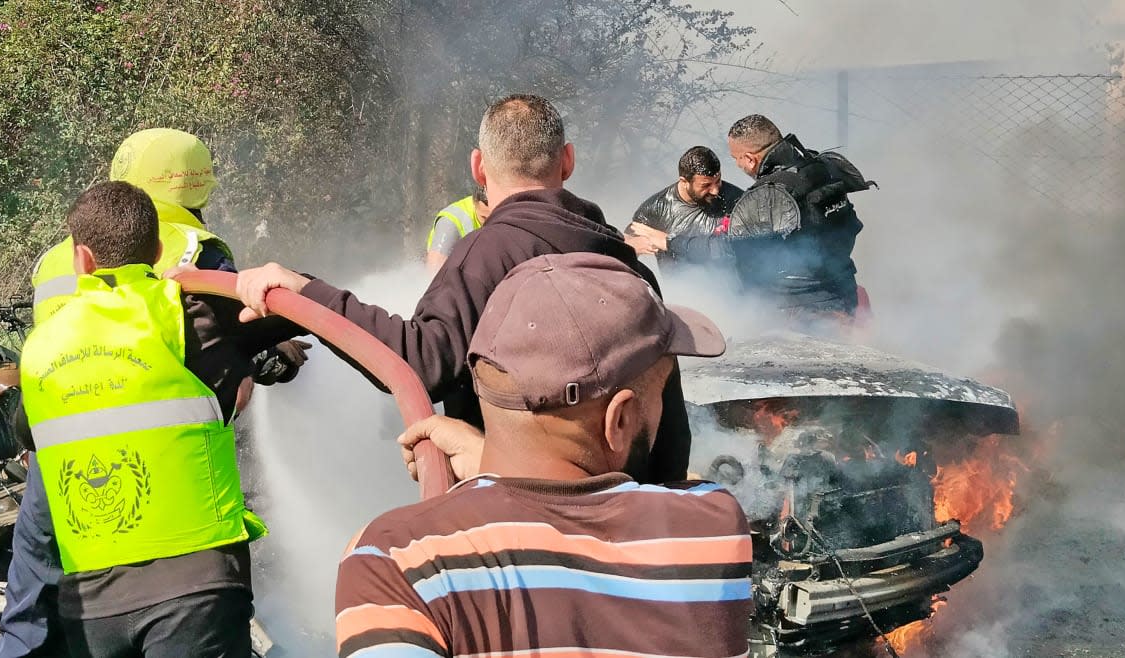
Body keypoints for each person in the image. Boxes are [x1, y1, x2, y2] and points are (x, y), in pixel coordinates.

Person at [236, 93, 695, 482]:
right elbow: (669, 421)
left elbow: (419, 361)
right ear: (568, 161)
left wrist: (307, 292)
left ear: (478, 167)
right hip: (627, 513)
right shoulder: (625, 263)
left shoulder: (488, 252)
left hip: (520, 515)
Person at [336, 252, 752, 658]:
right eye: (661, 395)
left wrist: (488, 470)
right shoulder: (711, 527)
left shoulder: (392, 562)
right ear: (619, 422)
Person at [0, 130, 308, 658]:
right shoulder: (195, 250)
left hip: (66, 466)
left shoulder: (57, 259)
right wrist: (271, 352)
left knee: (29, 609)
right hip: (177, 522)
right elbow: (225, 344)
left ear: (83, 259)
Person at [671, 115, 875, 319]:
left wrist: (671, 243)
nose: (738, 165)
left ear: (750, 159)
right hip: (845, 291)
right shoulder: (821, 166)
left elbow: (726, 250)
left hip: (800, 310)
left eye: (736, 159)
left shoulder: (769, 194)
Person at [623, 145, 743, 265]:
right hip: (680, 282)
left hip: (726, 278)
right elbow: (625, 245)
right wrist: (632, 247)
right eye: (706, 185)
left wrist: (667, 241)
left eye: (718, 181)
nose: (715, 191)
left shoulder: (736, 200)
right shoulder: (657, 208)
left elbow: (744, 248)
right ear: (684, 181)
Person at [425, 187, 490, 273]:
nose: (491, 221)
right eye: (484, 217)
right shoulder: (450, 222)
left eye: (496, 215)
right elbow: (434, 271)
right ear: (475, 203)